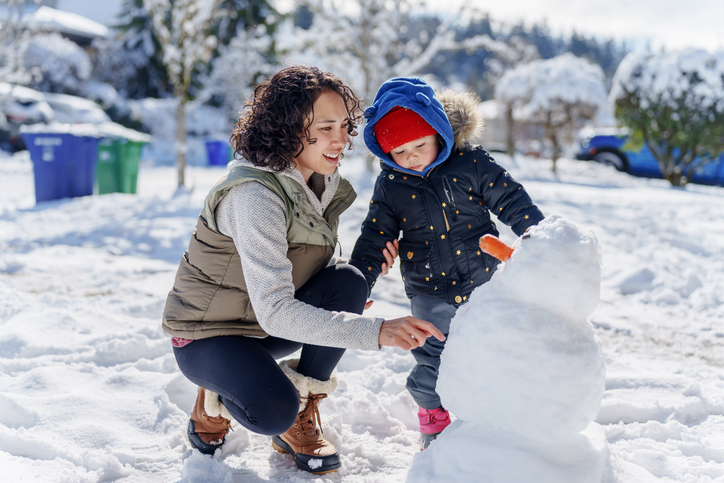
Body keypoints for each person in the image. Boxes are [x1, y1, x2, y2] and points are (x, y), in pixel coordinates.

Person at [161, 66, 444, 475]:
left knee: (348, 280)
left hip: (259, 324)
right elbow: (276, 309)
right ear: (288, 128)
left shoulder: (317, 181)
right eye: (326, 127)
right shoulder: (253, 196)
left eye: (344, 126)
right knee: (272, 409)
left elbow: (306, 267)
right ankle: (216, 396)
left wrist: (363, 276)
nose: (342, 140)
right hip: (209, 335)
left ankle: (301, 411)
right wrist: (376, 331)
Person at [350, 77, 545, 449]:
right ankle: (433, 419)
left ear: (438, 134)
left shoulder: (470, 163)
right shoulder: (391, 185)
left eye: (419, 145)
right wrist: (358, 284)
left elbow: (512, 201)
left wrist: (539, 237)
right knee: (431, 356)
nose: (410, 157)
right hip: (428, 290)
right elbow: (375, 238)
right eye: (399, 151)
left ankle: (498, 415)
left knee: (494, 346)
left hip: (483, 280)